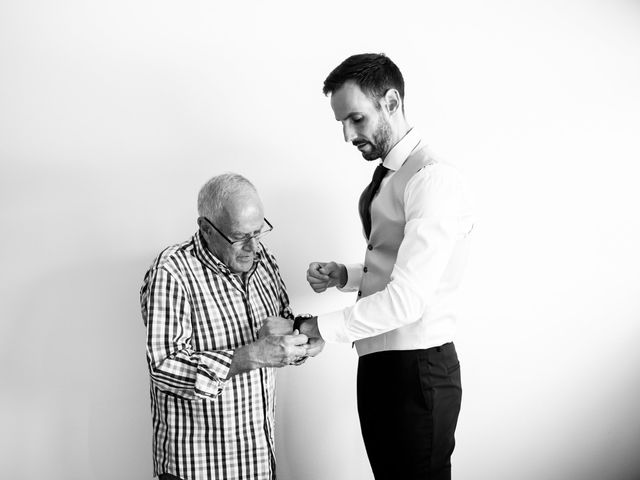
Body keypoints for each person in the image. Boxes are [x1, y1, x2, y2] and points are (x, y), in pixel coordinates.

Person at [297, 53, 474, 479]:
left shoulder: (432, 179)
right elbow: (400, 265)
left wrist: (317, 327)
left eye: (356, 119)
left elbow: (409, 299)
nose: (347, 135)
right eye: (341, 123)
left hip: (417, 372)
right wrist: (347, 275)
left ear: (391, 102)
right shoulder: (391, 177)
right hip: (382, 366)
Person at [140, 173, 321, 480]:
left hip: (259, 462)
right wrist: (247, 357)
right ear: (206, 230)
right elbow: (163, 367)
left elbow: (279, 335)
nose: (253, 246)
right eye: (240, 236)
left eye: (259, 231)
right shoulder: (172, 271)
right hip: (197, 469)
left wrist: (306, 341)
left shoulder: (265, 262)